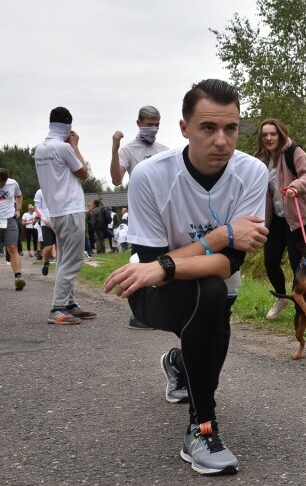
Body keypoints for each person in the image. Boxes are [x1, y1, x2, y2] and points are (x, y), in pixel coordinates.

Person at [103, 79, 268, 476]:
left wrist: (170, 263)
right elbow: (155, 270)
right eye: (208, 128)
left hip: (199, 281)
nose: (221, 141)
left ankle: (178, 362)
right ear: (184, 128)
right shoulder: (149, 176)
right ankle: (202, 429)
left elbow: (231, 264)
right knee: (206, 294)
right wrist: (222, 235)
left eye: (231, 129)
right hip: (150, 291)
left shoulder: (252, 172)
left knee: (210, 352)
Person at [34, 106, 97, 325]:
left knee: (63, 259)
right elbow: (83, 172)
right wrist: (75, 145)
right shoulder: (63, 148)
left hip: (56, 211)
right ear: (68, 125)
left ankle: (69, 303)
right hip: (71, 208)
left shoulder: (40, 149)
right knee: (73, 259)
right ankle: (58, 307)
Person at [111, 106, 169, 329]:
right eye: (148, 124)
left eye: (156, 124)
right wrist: (115, 148)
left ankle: (161, 310)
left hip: (162, 214)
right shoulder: (128, 150)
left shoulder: (164, 149)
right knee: (140, 261)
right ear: (138, 123)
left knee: (163, 260)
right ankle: (139, 313)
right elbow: (116, 179)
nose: (152, 128)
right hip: (140, 216)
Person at [253, 118, 306, 320]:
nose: (269, 138)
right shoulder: (260, 159)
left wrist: (295, 187)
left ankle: (302, 307)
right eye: (265, 135)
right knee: (270, 261)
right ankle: (282, 297)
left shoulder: (294, 152)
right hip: (274, 219)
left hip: (296, 216)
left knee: (297, 262)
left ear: (281, 134)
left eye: (273, 134)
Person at [34, 188, 56, 276]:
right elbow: (37, 209)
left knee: (61, 248)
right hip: (46, 223)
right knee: (49, 248)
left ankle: (61, 272)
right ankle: (46, 262)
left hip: (59, 222)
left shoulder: (59, 188)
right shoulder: (39, 192)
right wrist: (45, 220)